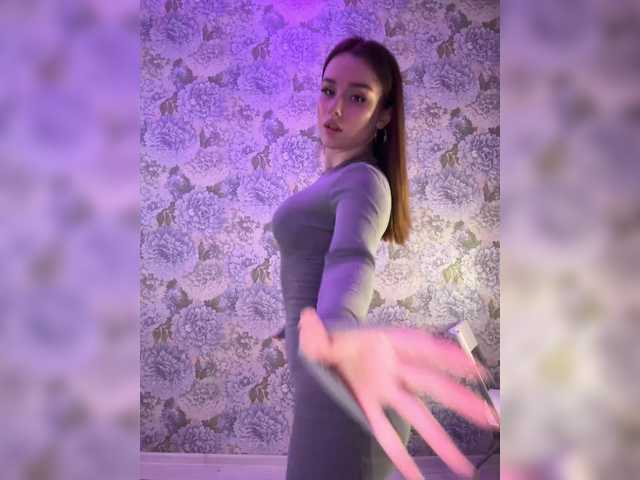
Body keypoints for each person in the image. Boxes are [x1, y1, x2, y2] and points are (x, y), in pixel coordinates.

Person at [270, 36, 499, 480]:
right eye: (328, 90)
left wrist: (335, 330)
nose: (336, 108)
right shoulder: (335, 180)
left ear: (384, 115)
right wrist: (297, 321)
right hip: (321, 379)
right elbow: (320, 266)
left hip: (340, 385)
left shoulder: (364, 182)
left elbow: (351, 261)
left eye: (358, 98)